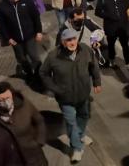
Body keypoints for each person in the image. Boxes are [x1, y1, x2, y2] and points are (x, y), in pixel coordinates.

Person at [39, 28, 102, 163]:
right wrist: (54, 88)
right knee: (71, 122)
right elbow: (43, 73)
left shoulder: (85, 50)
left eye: (74, 39)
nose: (72, 42)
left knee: (83, 116)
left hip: (83, 94)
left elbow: (94, 66)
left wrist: (97, 82)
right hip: (65, 97)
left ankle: (81, 135)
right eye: (68, 40)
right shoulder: (53, 56)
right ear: (62, 42)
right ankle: (77, 148)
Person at [0, 82, 47, 166]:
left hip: (32, 154)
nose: (6, 102)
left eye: (8, 98)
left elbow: (39, 120)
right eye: (1, 100)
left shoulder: (23, 104)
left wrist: (39, 140)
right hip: (11, 159)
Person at [0, 0, 43, 79]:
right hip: (15, 39)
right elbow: (1, 25)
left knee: (34, 56)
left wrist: (39, 31)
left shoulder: (28, 2)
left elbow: (36, 18)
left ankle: (40, 75)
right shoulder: (1, 7)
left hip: (30, 36)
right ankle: (29, 75)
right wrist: (8, 38)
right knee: (22, 59)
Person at [95, 0, 129, 70]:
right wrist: (109, 16)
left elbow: (127, 7)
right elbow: (97, 12)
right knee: (111, 46)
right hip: (111, 27)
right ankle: (112, 61)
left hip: (123, 25)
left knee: (125, 45)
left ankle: (128, 61)